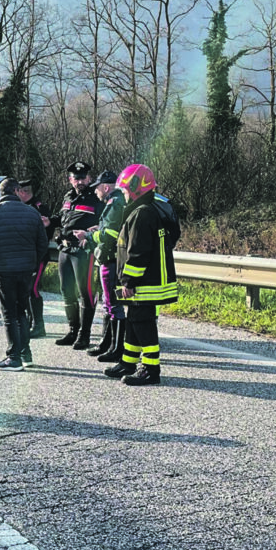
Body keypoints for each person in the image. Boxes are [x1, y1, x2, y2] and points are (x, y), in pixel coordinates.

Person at [104, 163, 179, 386]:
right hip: (147, 280)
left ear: (137, 187)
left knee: (143, 323)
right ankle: (128, 362)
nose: (124, 194)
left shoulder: (142, 213)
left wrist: (128, 280)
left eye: (125, 190)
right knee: (134, 321)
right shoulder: (147, 209)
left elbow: (137, 252)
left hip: (145, 282)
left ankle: (150, 369)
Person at [0, 178, 49, 370]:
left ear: (1, 193)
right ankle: (26, 353)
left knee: (9, 314)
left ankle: (13, 356)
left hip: (4, 269)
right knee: (22, 312)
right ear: (17, 191)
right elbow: (42, 242)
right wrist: (33, 262)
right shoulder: (32, 212)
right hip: (26, 269)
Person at [49, 161, 104, 349]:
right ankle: (73, 331)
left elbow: (105, 222)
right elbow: (63, 218)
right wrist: (49, 221)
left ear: (89, 178)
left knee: (85, 292)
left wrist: (92, 234)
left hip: (83, 251)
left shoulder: (96, 198)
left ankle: (84, 335)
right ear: (70, 179)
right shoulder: (68, 196)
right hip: (65, 249)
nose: (79, 181)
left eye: (83, 178)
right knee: (66, 291)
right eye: (76, 178)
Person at [73, 170, 126, 362]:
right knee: (108, 304)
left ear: (106, 187)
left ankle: (116, 349)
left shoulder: (114, 203)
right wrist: (99, 229)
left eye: (97, 188)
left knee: (113, 305)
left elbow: (109, 236)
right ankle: (108, 343)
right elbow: (110, 230)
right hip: (110, 260)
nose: (96, 192)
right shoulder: (116, 202)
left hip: (111, 260)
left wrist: (87, 235)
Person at [17, 179, 53, 338]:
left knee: (33, 288)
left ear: (25, 192)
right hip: (25, 255)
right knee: (25, 289)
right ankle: (31, 321)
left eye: (18, 192)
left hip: (38, 255)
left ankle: (39, 325)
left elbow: (47, 232)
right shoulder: (20, 207)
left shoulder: (39, 208)